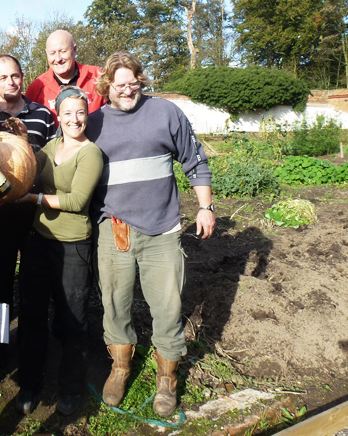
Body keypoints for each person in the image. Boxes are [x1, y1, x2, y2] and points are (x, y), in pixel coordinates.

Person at [85, 51, 216, 417]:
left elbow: (195, 159)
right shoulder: (93, 124)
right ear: (106, 86)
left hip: (162, 229)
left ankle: (167, 379)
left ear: (140, 80)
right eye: (119, 85)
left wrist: (205, 208)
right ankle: (121, 367)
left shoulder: (165, 113)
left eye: (132, 84)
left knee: (168, 307)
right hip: (116, 230)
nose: (127, 91)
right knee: (115, 305)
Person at [13, 86, 103, 416]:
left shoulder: (89, 153)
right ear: (58, 115)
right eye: (68, 113)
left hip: (72, 245)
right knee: (33, 312)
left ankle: (71, 388)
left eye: (80, 112)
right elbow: (26, 168)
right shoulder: (51, 146)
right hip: (39, 239)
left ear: (87, 113)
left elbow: (77, 202)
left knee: (73, 319)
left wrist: (33, 199)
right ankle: (29, 382)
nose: (74, 119)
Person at [0, 55, 55, 309]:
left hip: (36, 212)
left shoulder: (43, 115)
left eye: (15, 76)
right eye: (3, 78)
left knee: (35, 282)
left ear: (22, 77)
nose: (11, 82)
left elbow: (53, 159)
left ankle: (32, 345)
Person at [25, 30, 106, 122]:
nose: (58, 58)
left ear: (74, 50)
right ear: (47, 53)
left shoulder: (98, 77)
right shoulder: (37, 87)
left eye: (63, 51)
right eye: (52, 53)